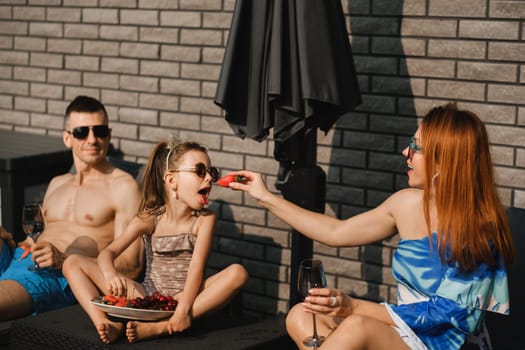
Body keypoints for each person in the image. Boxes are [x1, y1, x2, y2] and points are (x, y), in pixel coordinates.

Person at [227, 103, 515, 350]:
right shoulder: (406, 203)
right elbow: (335, 233)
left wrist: (354, 306)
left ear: (445, 161)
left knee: (357, 327)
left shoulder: (480, 228)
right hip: (405, 333)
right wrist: (265, 197)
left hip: (448, 343)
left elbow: (448, 316)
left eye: (416, 147)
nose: (405, 151)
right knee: (301, 316)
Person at [62, 140, 249, 344]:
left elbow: (197, 268)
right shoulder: (150, 218)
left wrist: (183, 309)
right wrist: (111, 274)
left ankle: (161, 327)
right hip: (145, 297)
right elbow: (107, 253)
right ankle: (107, 322)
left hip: (185, 298)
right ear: (172, 180)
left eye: (211, 171)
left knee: (237, 273)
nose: (210, 178)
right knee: (72, 263)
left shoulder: (204, 220)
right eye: (200, 170)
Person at [0, 95, 143, 321]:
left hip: (57, 276)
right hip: (20, 259)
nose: (92, 139)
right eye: (81, 132)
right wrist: (8, 239)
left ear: (109, 135)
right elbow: (33, 241)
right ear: (67, 138)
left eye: (100, 131)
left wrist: (65, 260)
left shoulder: (123, 187)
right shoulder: (57, 183)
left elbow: (131, 266)